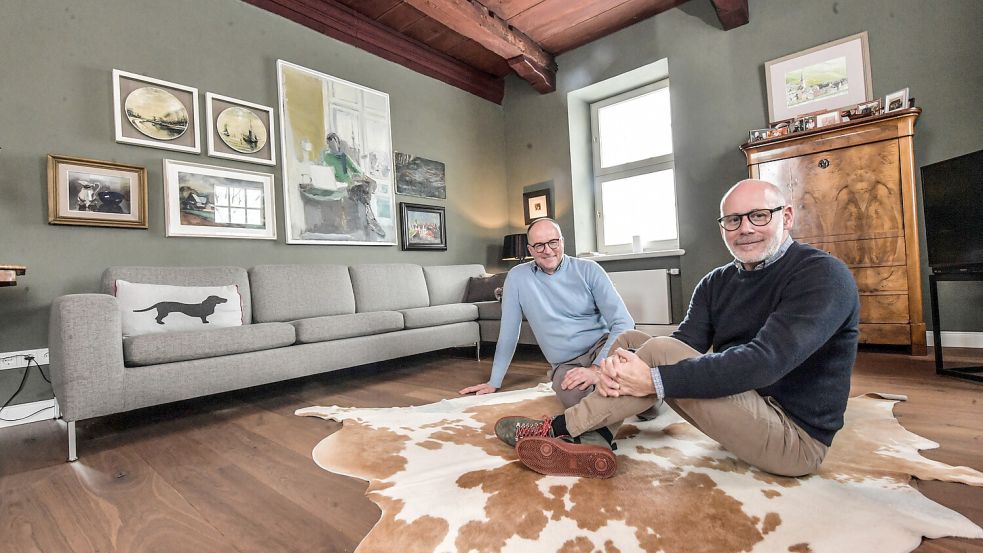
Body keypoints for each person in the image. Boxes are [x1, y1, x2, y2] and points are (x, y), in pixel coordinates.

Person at [501, 179, 860, 479]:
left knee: (655, 353)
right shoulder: (716, 282)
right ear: (723, 227)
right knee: (629, 342)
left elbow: (765, 361)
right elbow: (684, 343)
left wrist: (655, 380)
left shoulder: (822, 275)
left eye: (759, 216)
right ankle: (595, 437)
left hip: (792, 439)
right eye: (733, 220)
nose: (745, 228)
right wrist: (630, 368)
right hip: (744, 405)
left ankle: (560, 428)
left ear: (787, 217)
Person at [459, 218, 636, 446]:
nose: (547, 250)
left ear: (562, 242)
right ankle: (602, 433)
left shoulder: (589, 270)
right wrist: (494, 381)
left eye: (553, 242)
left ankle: (585, 432)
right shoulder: (517, 277)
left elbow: (623, 322)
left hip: (602, 348)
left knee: (625, 375)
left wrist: (597, 369)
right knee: (574, 395)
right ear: (530, 249)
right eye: (539, 245)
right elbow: (509, 332)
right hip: (566, 364)